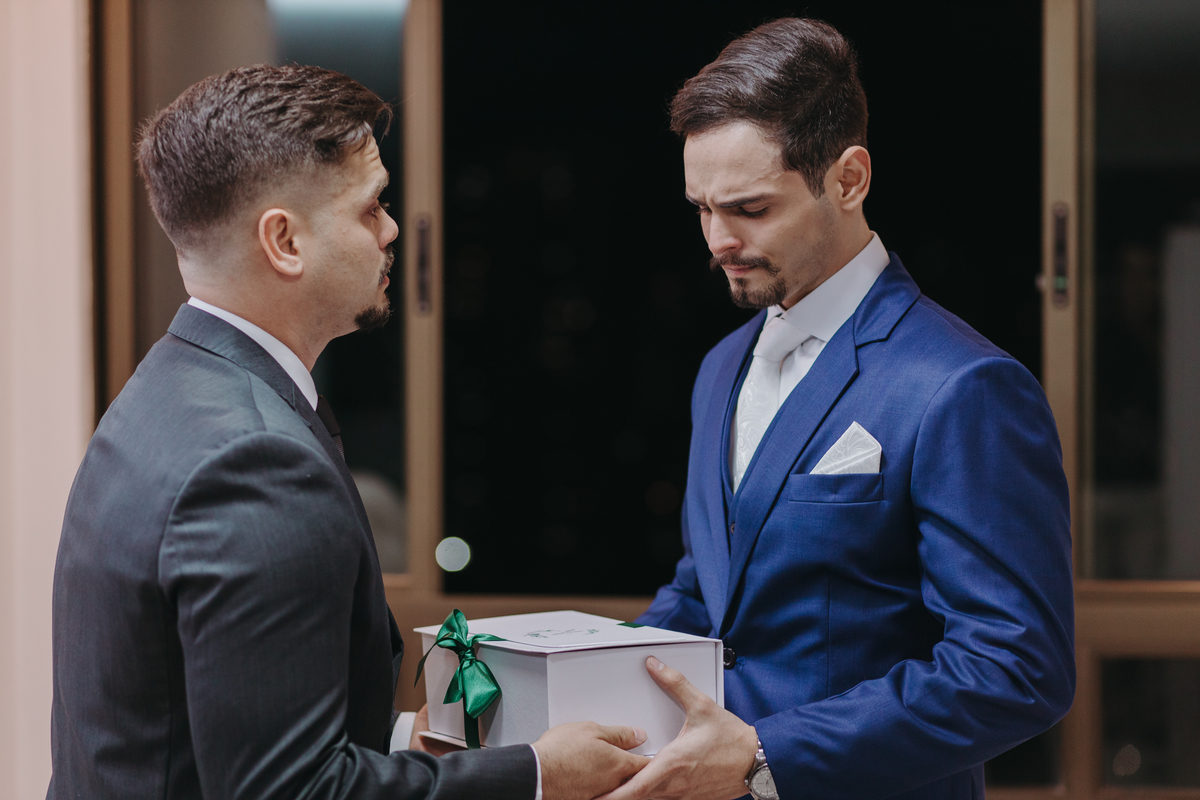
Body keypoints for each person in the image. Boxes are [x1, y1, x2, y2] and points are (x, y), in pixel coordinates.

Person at [49, 65, 648, 800]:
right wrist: (535, 775)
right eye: (371, 208)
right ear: (284, 241)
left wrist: (403, 738)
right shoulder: (254, 459)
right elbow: (292, 791)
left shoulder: (164, 391)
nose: (394, 229)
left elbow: (219, 730)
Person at [603, 18, 1075, 800]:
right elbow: (702, 593)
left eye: (750, 209)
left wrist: (764, 756)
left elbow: (1016, 669)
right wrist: (563, 683)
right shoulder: (721, 369)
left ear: (849, 179)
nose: (718, 240)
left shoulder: (964, 385)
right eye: (701, 209)